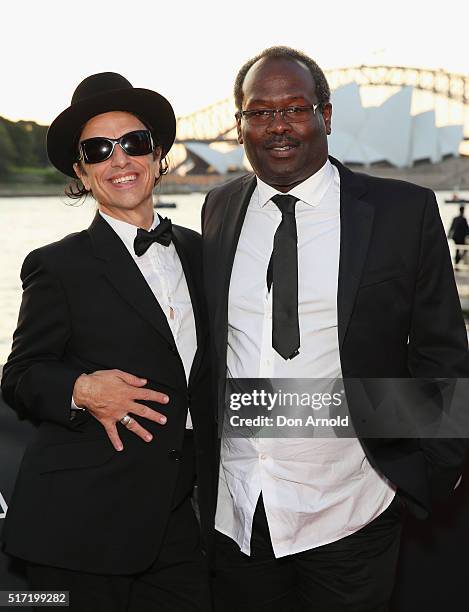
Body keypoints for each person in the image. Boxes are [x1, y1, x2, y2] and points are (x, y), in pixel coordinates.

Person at [201, 47, 469, 612]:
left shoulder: (403, 210)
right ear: (240, 123)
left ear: (326, 115)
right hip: (239, 510)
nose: (278, 126)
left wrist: (434, 468)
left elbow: (441, 351)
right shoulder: (219, 208)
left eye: (294, 108)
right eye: (259, 112)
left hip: (353, 506)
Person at [1, 72, 214, 611]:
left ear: (159, 155)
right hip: (79, 526)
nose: (119, 160)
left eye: (134, 143)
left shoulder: (201, 251)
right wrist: (83, 387)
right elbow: (21, 375)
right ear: (82, 172)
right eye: (98, 150)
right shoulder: (56, 264)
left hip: (177, 523)